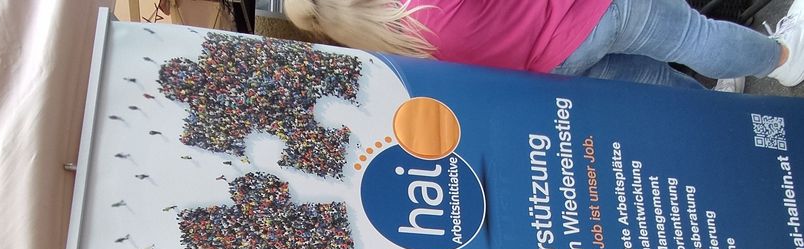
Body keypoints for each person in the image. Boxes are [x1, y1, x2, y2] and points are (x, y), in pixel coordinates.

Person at [283, 0, 804, 90]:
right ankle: (785, 60)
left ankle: (730, 116)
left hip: (554, 65)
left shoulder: (395, 43)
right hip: (590, 12)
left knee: (654, 85)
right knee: (694, 35)